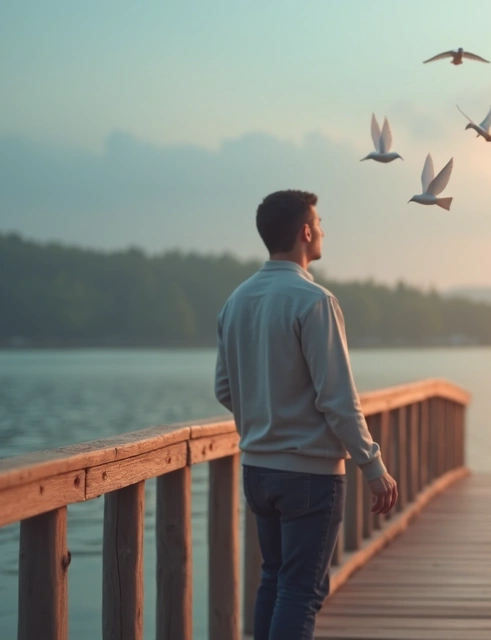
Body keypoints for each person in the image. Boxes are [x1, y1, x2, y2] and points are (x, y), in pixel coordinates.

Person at [215, 189, 399, 640]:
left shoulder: (236, 300)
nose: (322, 230)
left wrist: (266, 414)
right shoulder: (313, 300)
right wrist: (372, 465)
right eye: (319, 222)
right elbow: (337, 399)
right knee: (301, 593)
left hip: (257, 469)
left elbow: (224, 388)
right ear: (305, 232)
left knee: (274, 582)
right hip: (309, 476)